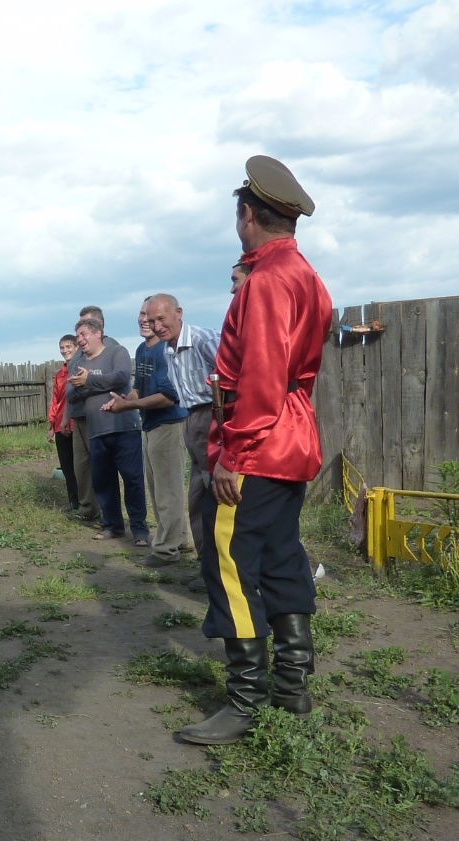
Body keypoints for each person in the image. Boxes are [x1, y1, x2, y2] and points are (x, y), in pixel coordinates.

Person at [178, 155, 332, 746]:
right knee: (282, 557)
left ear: (248, 215)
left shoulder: (266, 281)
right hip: (292, 437)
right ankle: (293, 689)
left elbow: (262, 380)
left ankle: (245, 699)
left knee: (232, 565)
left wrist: (232, 457)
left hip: (259, 444)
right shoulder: (306, 275)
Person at [102, 299, 192, 566]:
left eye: (151, 317)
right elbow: (140, 389)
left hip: (170, 424)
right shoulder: (142, 350)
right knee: (158, 489)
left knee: (168, 491)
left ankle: (166, 550)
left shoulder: (166, 350)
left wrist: (129, 405)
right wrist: (121, 401)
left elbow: (169, 396)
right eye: (142, 315)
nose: (145, 320)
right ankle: (179, 540)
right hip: (150, 425)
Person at [148, 294, 220, 565]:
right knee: (199, 501)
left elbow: (235, 379)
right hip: (191, 420)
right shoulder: (169, 349)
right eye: (152, 320)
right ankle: (208, 569)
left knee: (217, 499)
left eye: (161, 318)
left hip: (213, 417)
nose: (157, 326)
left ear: (178, 313)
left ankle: (223, 572)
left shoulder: (204, 340)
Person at [68, 316, 148, 545]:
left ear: (98, 333)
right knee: (104, 482)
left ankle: (140, 530)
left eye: (83, 335)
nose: (80, 340)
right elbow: (71, 395)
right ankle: (112, 526)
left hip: (124, 427)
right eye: (78, 336)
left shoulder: (116, 352)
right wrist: (90, 385)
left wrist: (89, 380)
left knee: (132, 479)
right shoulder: (78, 362)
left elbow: (121, 378)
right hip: (96, 430)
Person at [66, 306, 118, 524]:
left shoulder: (112, 347)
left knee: (102, 465)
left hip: (99, 415)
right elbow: (71, 388)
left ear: (99, 326)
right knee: (82, 466)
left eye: (86, 327)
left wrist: (85, 385)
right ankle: (88, 509)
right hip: (78, 414)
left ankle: (110, 513)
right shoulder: (78, 353)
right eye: (79, 329)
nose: (80, 333)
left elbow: (111, 380)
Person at [47, 335, 80, 513]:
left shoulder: (82, 370)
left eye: (68, 346)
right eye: (62, 347)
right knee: (67, 466)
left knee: (81, 466)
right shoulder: (60, 375)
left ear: (76, 347)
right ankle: (73, 502)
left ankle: (87, 503)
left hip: (79, 425)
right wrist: (52, 426)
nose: (65, 350)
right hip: (61, 425)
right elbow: (56, 400)